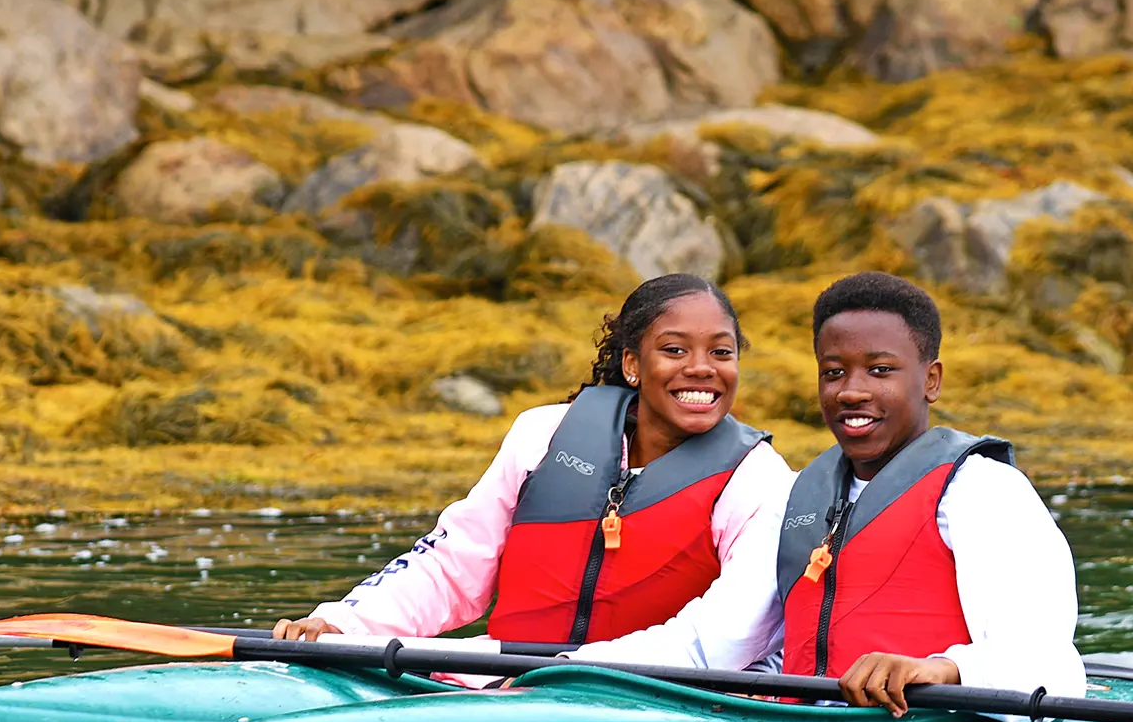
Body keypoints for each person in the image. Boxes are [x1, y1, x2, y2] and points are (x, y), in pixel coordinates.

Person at [272, 274, 793, 677]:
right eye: (675, 350)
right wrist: (346, 624)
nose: (703, 368)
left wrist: (572, 673)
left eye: (721, 353)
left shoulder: (760, 481)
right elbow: (453, 562)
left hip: (653, 698)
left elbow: (730, 634)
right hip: (504, 678)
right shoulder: (541, 435)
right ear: (633, 364)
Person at [774, 271, 1086, 715]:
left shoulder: (982, 491)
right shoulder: (795, 495)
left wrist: (941, 669)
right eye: (833, 372)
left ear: (931, 380)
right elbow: (739, 638)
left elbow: (1050, 667)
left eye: (880, 370)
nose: (851, 391)